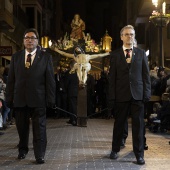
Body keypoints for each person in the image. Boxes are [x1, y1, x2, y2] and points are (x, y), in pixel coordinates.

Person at [5, 28, 56, 164]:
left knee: (39, 128)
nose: (29, 40)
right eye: (27, 38)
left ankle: (39, 155)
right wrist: (8, 98)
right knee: (22, 128)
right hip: (20, 99)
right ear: (23, 41)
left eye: (32, 38)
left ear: (37, 41)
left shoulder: (46, 57)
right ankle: (22, 150)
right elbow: (11, 80)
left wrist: (51, 99)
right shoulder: (16, 57)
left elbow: (50, 80)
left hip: (39, 99)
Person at [108, 25, 151, 165]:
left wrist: (146, 94)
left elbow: (146, 77)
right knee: (119, 124)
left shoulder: (141, 53)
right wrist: (112, 96)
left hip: (138, 95)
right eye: (126, 34)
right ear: (121, 37)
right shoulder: (114, 55)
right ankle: (115, 149)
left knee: (138, 126)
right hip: (121, 95)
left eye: (132, 34)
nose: (129, 37)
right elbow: (112, 78)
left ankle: (139, 155)